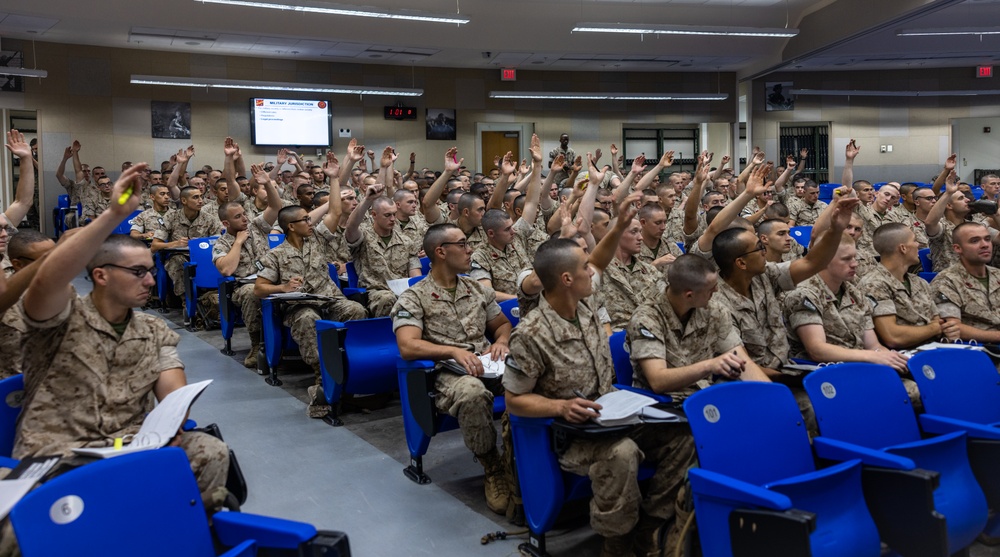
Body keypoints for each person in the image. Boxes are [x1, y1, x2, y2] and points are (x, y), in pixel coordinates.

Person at [13, 163, 230, 529]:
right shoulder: (58, 319)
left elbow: (172, 392)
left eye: (149, 270)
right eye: (137, 272)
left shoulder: (153, 329)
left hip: (130, 445)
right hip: (59, 452)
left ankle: (177, 533)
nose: (149, 280)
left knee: (210, 450)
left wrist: (172, 423)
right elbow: (49, 279)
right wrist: (115, 214)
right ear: (100, 275)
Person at [505, 238, 695, 557]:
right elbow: (514, 400)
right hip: (571, 434)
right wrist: (561, 406)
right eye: (584, 267)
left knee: (686, 434)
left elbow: (601, 260)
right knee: (622, 453)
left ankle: (651, 524)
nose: (592, 271)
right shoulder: (531, 334)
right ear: (567, 279)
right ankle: (616, 542)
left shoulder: (587, 305)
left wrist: (619, 223)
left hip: (611, 415)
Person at [392, 223, 514, 515]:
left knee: (528, 382)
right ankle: (492, 466)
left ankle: (517, 459)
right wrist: (452, 351)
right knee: (472, 394)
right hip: (446, 373)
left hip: (487, 364)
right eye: (462, 244)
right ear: (441, 252)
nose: (470, 249)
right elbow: (408, 346)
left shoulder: (476, 289)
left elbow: (502, 325)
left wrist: (502, 342)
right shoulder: (414, 296)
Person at [254, 205, 368, 418]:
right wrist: (282, 287)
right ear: (291, 226)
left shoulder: (317, 240)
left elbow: (335, 212)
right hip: (300, 306)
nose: (310, 222)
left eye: (309, 218)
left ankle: (351, 370)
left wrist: (334, 176)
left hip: (329, 299)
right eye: (305, 220)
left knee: (356, 310)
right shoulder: (275, 255)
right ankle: (322, 378)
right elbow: (259, 288)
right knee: (308, 318)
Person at [628, 254, 771, 399]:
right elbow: (658, 381)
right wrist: (709, 366)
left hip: (703, 398)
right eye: (711, 288)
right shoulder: (647, 318)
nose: (717, 291)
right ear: (689, 295)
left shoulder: (715, 311)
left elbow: (743, 363)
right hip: (662, 404)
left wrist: (774, 398)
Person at [783, 234, 912, 377]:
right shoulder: (804, 294)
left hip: (858, 366)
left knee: (911, 381)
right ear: (823, 260)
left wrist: (895, 360)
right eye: (846, 259)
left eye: (854, 257)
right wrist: (871, 356)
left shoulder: (854, 293)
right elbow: (817, 350)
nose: (855, 264)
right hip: (823, 374)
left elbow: (874, 346)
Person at [213, 164, 283, 368]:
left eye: (244, 214)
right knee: (252, 293)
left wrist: (267, 183)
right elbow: (226, 270)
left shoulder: (256, 226)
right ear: (226, 224)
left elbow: (276, 208)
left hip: (270, 279)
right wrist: (238, 242)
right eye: (238, 217)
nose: (244, 219)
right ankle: (256, 345)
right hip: (242, 287)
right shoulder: (222, 243)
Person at [859, 222, 957, 349]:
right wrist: (934, 329)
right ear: (903, 248)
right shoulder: (874, 284)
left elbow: (937, 321)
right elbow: (893, 337)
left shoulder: (919, 282)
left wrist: (945, 328)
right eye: (914, 240)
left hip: (933, 349)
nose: (918, 245)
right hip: (901, 358)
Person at [345, 183, 422, 316]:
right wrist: (368, 200)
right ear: (374, 214)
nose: (393, 219)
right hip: (374, 293)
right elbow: (351, 226)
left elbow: (415, 274)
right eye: (387, 215)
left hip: (402, 291)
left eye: (394, 214)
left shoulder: (406, 241)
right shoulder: (363, 237)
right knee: (387, 298)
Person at [931, 222, 1000, 341]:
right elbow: (953, 328)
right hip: (978, 349)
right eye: (975, 241)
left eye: (987, 239)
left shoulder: (997, 274)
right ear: (958, 248)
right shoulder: (946, 281)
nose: (985, 245)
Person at [0, 230, 55, 379]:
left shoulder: (63, 291)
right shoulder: (8, 300)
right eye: (46, 260)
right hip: (12, 390)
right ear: (18, 264)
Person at [152, 185, 221, 304]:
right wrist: (175, 243)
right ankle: (187, 301)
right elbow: (155, 245)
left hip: (203, 256)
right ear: (184, 200)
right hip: (178, 255)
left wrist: (203, 242)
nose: (200, 201)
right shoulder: (171, 217)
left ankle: (211, 298)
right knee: (178, 263)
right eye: (195, 197)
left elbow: (218, 241)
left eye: (201, 197)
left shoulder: (210, 219)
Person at [471, 208, 531, 301]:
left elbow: (531, 204)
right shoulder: (480, 256)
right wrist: (519, 299)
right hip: (510, 308)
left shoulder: (517, 238)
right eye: (507, 229)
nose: (513, 231)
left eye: (512, 226)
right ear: (491, 233)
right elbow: (486, 293)